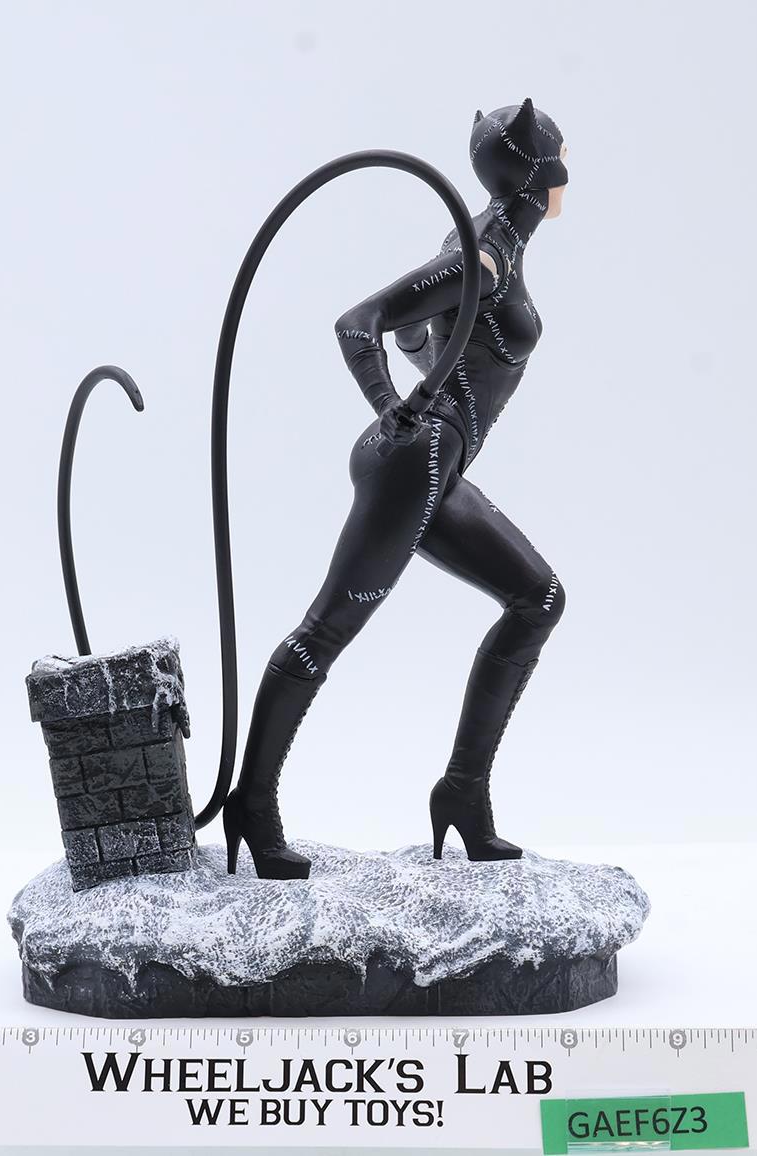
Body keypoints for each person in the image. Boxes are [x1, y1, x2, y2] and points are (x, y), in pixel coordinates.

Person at [223, 100, 570, 879]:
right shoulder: (485, 256)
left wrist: (427, 374)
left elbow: (418, 334)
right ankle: (252, 802)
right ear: (538, 169)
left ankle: (463, 794)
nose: (569, 176)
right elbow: (362, 322)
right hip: (413, 462)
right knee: (325, 633)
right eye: (563, 158)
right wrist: (393, 408)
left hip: (436, 469)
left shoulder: (486, 246)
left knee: (538, 599)